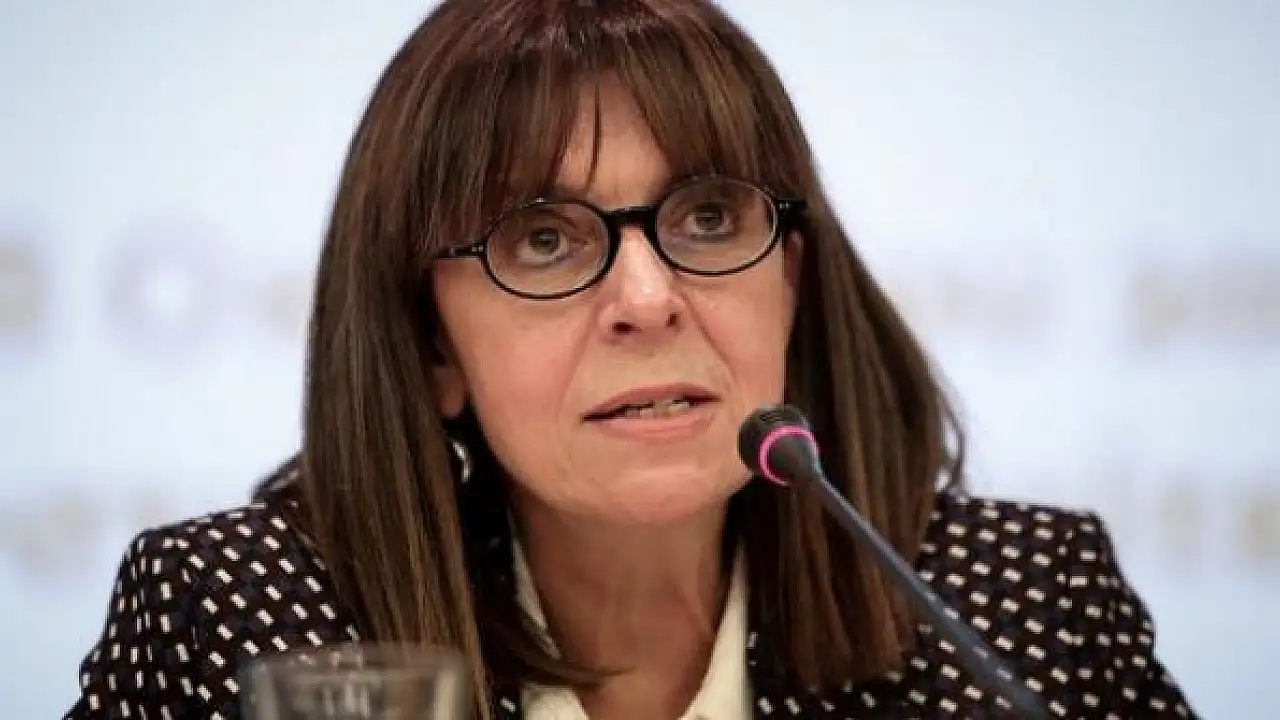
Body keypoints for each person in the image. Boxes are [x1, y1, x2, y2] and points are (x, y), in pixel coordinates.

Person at [65, 1, 1199, 718]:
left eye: (706, 218)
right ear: (429, 345)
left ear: (790, 281)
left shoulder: (1015, 610)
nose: (648, 301)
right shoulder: (248, 626)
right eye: (542, 240)